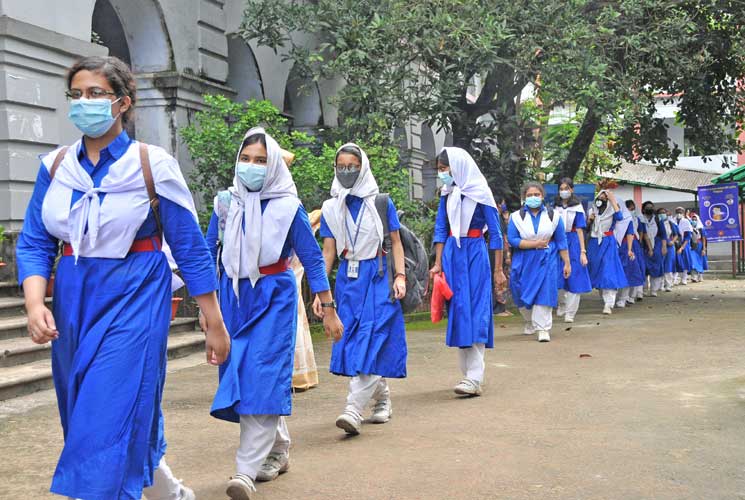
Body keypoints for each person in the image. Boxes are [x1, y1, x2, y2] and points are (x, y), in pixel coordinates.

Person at [15, 56, 231, 500]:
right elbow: (35, 242)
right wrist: (35, 304)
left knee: (107, 408)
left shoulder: (152, 165)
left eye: (96, 93)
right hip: (74, 298)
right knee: (87, 410)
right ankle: (168, 492)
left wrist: (214, 320)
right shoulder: (56, 167)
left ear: (123, 102)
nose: (84, 102)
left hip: (136, 293)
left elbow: (189, 247)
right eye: (76, 94)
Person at [206, 128, 343, 499]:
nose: (251, 166)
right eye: (246, 159)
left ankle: (244, 470)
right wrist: (209, 310)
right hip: (232, 299)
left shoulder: (288, 207)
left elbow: (312, 258)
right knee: (244, 376)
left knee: (262, 375)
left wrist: (328, 307)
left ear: (273, 167)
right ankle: (278, 448)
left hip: (274, 297)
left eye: (261, 161)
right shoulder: (225, 203)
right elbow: (208, 254)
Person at [314, 143, 407, 436]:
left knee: (372, 337)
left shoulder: (380, 202)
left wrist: (400, 276)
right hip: (348, 280)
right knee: (354, 342)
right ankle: (383, 399)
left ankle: (353, 409)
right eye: (341, 166)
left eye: (352, 166)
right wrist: (320, 292)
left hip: (379, 275)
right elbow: (328, 252)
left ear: (363, 167)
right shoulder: (331, 207)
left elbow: (396, 242)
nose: (346, 171)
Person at [430, 147, 506, 396]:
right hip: (453, 255)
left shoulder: (481, 192)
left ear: (458, 167)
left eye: (444, 169)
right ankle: (469, 375)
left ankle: (474, 376)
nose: (442, 174)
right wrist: (438, 263)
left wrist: (498, 270)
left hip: (475, 253)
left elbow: (496, 234)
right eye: (440, 170)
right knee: (459, 308)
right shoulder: (447, 193)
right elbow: (441, 229)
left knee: (476, 309)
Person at [509, 182, 571, 342]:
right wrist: (533, 244)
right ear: (524, 198)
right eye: (529, 195)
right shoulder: (516, 217)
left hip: (547, 258)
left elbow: (561, 240)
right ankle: (529, 320)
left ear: (542, 196)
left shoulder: (553, 216)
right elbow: (513, 239)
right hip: (524, 259)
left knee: (545, 290)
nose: (533, 198)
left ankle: (543, 328)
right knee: (519, 291)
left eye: (536, 194)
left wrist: (567, 262)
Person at [554, 178, 592, 323]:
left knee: (575, 276)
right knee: (557, 276)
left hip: (573, 242)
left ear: (572, 190)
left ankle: (570, 313)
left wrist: (583, 251)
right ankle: (562, 304)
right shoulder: (555, 207)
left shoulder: (577, 207)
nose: (564, 191)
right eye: (561, 188)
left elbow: (580, 230)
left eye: (566, 188)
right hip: (557, 241)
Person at [586, 189, 630, 314]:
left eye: (604, 197)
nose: (601, 199)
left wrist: (613, 200)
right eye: (600, 196)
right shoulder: (592, 211)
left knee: (608, 271)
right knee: (597, 270)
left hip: (608, 242)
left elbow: (620, 217)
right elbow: (587, 228)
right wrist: (589, 220)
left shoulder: (613, 210)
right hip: (594, 243)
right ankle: (605, 298)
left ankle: (608, 303)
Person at [616, 200, 646, 308]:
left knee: (629, 271)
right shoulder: (610, 218)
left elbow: (632, 233)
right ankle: (615, 297)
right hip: (613, 246)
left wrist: (629, 249)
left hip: (627, 246)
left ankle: (626, 297)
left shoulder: (629, 219)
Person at [640, 201, 668, 296]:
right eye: (647, 207)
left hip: (657, 245)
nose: (649, 209)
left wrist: (664, 247)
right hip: (644, 246)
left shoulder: (658, 219)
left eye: (651, 207)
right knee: (644, 268)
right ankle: (644, 289)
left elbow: (663, 234)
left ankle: (654, 290)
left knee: (656, 267)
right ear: (643, 209)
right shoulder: (641, 219)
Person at [673, 207, 694, 285]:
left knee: (685, 261)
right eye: (677, 212)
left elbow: (688, 236)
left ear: (683, 213)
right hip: (675, 244)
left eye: (680, 212)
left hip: (684, 244)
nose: (679, 214)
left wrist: (682, 247)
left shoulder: (686, 221)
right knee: (675, 261)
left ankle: (684, 278)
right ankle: (674, 279)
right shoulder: (672, 221)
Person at [659, 208, 678, 292]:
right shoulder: (657, 223)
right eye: (660, 213)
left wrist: (672, 241)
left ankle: (668, 285)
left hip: (670, 246)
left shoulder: (670, 223)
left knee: (668, 265)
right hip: (659, 245)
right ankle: (660, 285)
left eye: (663, 212)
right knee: (660, 264)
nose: (662, 214)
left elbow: (676, 234)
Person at [689, 212, 708, 282]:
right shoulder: (689, 228)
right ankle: (694, 276)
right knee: (692, 260)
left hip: (699, 246)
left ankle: (700, 275)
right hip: (692, 246)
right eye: (692, 220)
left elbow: (704, 239)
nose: (694, 221)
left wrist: (704, 249)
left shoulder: (701, 228)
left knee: (700, 260)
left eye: (695, 220)